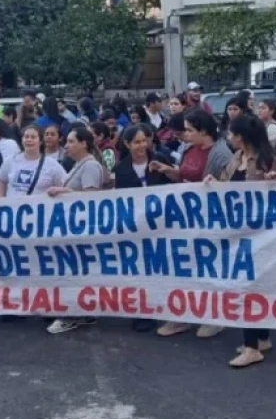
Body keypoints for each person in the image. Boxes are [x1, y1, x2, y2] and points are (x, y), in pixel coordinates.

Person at [207, 115, 276, 367]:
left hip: (260, 235)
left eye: (231, 133)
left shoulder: (268, 160)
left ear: (240, 136)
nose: (229, 138)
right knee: (247, 285)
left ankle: (252, 347)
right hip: (237, 234)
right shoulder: (235, 159)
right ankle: (261, 338)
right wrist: (213, 183)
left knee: (248, 287)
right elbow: (226, 186)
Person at [148, 109, 231, 339]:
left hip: (208, 222)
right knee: (183, 268)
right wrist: (168, 171)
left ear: (203, 131)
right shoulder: (189, 149)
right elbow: (185, 176)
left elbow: (225, 190)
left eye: (190, 130)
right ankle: (183, 315)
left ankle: (214, 317)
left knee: (208, 269)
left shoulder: (220, 154)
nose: (185, 134)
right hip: (185, 220)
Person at [45, 127, 107, 335]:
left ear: (84, 144)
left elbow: (90, 198)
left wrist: (63, 191)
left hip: (82, 229)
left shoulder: (90, 167)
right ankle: (84, 311)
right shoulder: (79, 165)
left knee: (76, 272)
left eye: (71, 141)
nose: (67, 146)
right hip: (73, 227)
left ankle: (73, 314)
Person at [112, 124, 171, 332]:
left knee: (161, 269)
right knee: (139, 271)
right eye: (136, 142)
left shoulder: (160, 159)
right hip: (136, 229)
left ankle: (164, 308)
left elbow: (178, 184)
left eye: (144, 141)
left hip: (162, 226)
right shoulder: (121, 168)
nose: (141, 145)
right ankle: (142, 312)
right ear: (127, 144)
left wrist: (168, 170)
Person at [0, 125, 67, 197]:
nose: (29, 140)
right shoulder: (11, 160)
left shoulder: (52, 164)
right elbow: (1, 179)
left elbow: (65, 185)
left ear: (41, 141)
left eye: (33, 137)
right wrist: (1, 197)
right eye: (26, 137)